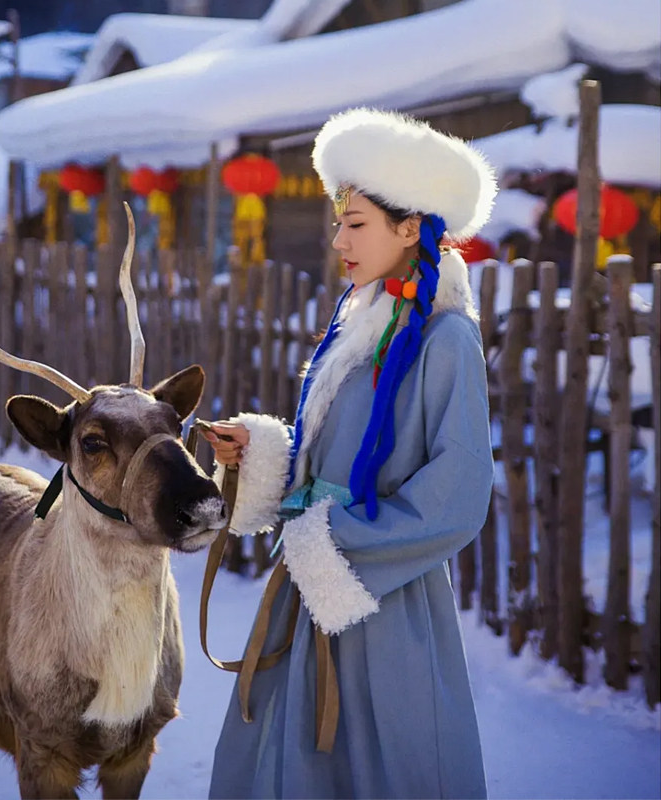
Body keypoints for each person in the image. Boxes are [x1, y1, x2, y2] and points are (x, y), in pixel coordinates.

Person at [202, 107, 497, 800]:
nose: (338, 239)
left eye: (355, 223)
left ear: (410, 229)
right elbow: (331, 458)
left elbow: (458, 495)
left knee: (380, 766)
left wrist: (335, 542)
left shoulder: (445, 340)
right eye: (340, 222)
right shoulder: (360, 322)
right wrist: (266, 452)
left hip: (382, 601)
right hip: (311, 589)